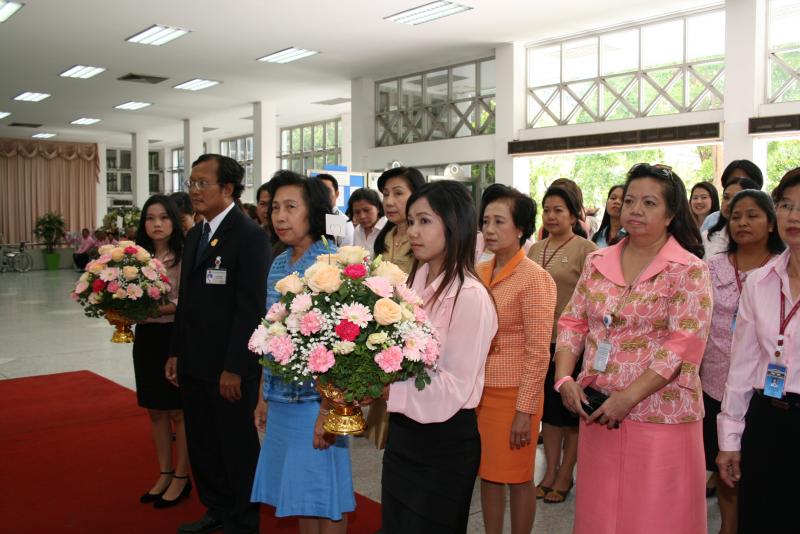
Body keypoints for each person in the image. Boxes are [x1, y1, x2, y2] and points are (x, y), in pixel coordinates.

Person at [555, 163, 711, 534]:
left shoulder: (688, 269)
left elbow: (683, 344)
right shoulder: (597, 262)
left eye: (649, 203)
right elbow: (572, 322)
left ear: (671, 214)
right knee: (601, 513)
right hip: (599, 409)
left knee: (654, 517)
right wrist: (564, 379)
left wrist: (627, 398)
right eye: (630, 201)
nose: (636, 210)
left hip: (660, 413)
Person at [381, 180, 498, 534]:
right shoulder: (413, 283)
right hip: (404, 432)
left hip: (444, 442)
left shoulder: (470, 296)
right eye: (411, 221)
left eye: (424, 221)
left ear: (453, 225)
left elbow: (455, 385)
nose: (413, 231)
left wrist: (388, 389)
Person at [167, 154, 272, 534]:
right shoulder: (196, 233)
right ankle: (216, 508)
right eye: (191, 183)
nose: (194, 191)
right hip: (194, 361)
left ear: (227, 188)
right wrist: (175, 351)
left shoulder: (249, 236)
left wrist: (235, 367)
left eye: (202, 183)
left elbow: (251, 309)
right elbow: (187, 301)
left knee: (235, 446)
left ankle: (243, 520)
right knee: (203, 443)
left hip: (229, 366)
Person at [251, 171, 354, 533]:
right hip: (281, 396)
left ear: (313, 211)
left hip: (316, 399)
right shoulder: (279, 263)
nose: (280, 216)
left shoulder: (330, 263)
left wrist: (328, 410)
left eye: (291, 207)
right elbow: (270, 332)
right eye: (275, 207)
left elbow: (341, 347)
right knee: (299, 494)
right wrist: (263, 395)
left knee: (326, 492)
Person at [717, 168, 800, 534]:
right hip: (767, 418)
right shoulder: (759, 282)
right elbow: (741, 367)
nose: (794, 216)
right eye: (787, 205)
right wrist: (730, 440)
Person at [700, 189, 784, 534]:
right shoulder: (711, 267)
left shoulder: (783, 268)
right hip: (716, 385)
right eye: (735, 217)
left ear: (771, 223)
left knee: (763, 468)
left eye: (752, 215)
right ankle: (728, 526)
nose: (742, 223)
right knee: (724, 464)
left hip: (765, 389)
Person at [476, 184, 556, 534]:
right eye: (485, 221)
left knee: (518, 477)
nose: (490, 229)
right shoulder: (479, 272)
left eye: (499, 221)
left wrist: (525, 411)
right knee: (488, 474)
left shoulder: (535, 279)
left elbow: (539, 352)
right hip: (479, 391)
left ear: (520, 228)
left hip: (513, 395)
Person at [527, 186, 597, 504]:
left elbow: (593, 300)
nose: (551, 216)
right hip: (539, 342)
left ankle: (566, 473)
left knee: (571, 415)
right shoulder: (535, 248)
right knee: (549, 415)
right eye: (547, 209)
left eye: (559, 210)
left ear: (573, 215)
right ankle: (550, 470)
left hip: (572, 347)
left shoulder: (586, 250)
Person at [134, 195, 192, 509]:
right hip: (147, 336)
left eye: (163, 217)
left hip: (174, 335)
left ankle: (182, 476)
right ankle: (164, 472)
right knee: (155, 409)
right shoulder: (134, 257)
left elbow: (191, 300)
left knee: (178, 412)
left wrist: (161, 308)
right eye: (150, 218)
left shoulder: (185, 254)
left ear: (174, 220)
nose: (157, 224)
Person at [366, 166, 427, 450]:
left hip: (413, 330)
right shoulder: (385, 236)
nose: (389, 201)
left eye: (398, 193)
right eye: (386, 194)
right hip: (384, 326)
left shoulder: (424, 239)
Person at [702, 177, 760, 259]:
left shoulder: (760, 239)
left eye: (736, 198)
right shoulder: (708, 237)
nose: (729, 203)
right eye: (726, 197)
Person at [701, 160, 764, 232]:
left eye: (744, 182)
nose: (737, 184)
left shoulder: (764, 220)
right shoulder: (712, 220)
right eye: (733, 181)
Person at [317, 173, 355, 247]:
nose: (322, 194)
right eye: (318, 190)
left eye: (327, 190)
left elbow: (346, 252)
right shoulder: (307, 217)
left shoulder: (340, 220)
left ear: (336, 194)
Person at [347, 187, 386, 254]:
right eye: (357, 212)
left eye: (366, 210)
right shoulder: (357, 231)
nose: (362, 216)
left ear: (378, 208)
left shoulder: (387, 229)